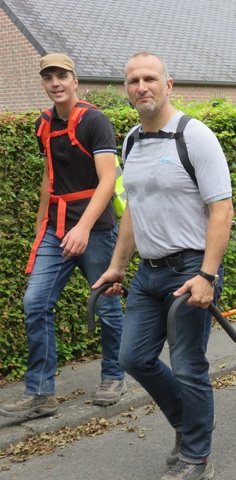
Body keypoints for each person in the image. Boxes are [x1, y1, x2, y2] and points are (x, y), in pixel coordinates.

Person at [94, 52, 233, 479]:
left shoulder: (195, 137)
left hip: (191, 269)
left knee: (189, 365)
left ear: (168, 85)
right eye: (133, 80)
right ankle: (190, 425)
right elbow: (134, 208)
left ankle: (197, 456)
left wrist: (207, 276)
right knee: (133, 358)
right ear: (126, 89)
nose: (142, 86)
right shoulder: (132, 140)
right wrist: (118, 265)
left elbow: (222, 210)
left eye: (150, 78)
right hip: (149, 272)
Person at [0, 54, 126, 419]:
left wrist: (84, 227)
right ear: (44, 82)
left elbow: (107, 180)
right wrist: (41, 228)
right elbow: (48, 178)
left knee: (105, 304)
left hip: (96, 228)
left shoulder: (94, 121)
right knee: (35, 303)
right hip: (57, 230)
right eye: (49, 77)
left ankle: (113, 376)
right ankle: (40, 394)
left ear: (75, 80)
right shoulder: (44, 123)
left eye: (62, 76)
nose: (56, 82)